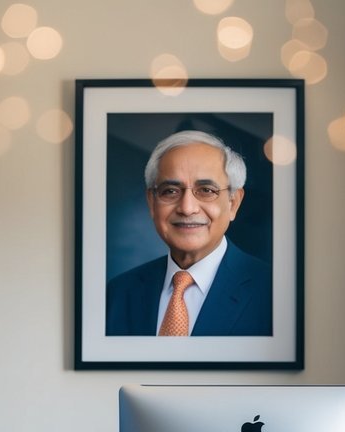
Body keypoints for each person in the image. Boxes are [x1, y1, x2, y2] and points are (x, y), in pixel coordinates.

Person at [105, 130, 272, 336]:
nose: (187, 208)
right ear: (152, 202)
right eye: (170, 191)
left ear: (233, 203)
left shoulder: (274, 292)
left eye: (206, 190)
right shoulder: (116, 294)